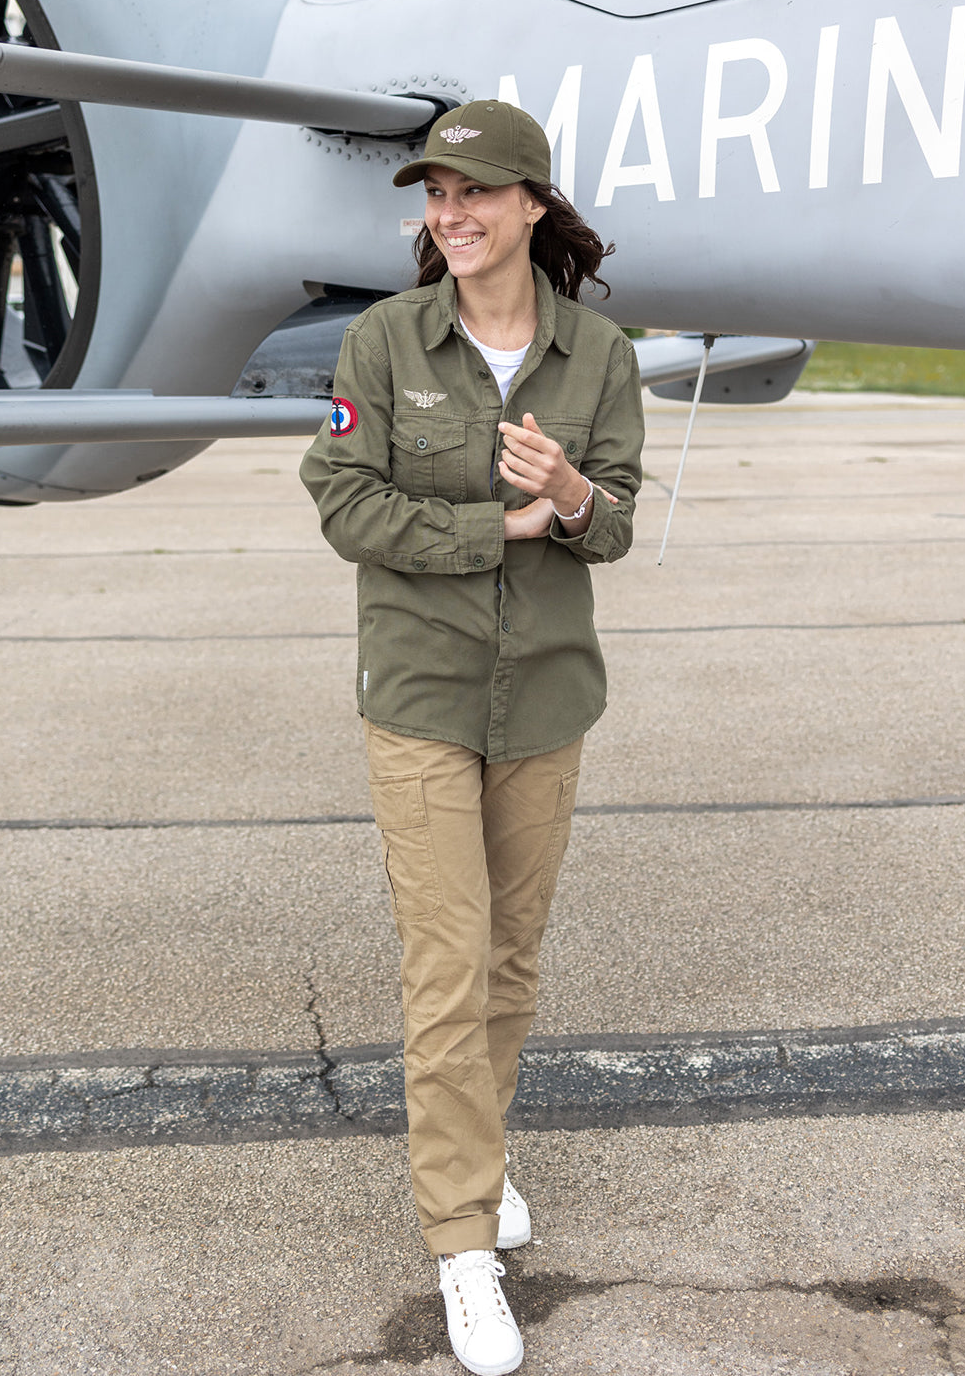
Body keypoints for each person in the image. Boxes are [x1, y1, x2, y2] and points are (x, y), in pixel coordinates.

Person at [300, 99, 644, 1376]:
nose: (450, 216)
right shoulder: (383, 342)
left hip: (547, 695)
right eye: (435, 195)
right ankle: (463, 1248)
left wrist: (566, 497)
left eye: (475, 193)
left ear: (532, 207)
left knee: (509, 963)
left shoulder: (601, 354)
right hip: (425, 695)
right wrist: (483, 531)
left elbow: (613, 528)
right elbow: (341, 499)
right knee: (449, 966)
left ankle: (476, 1161)